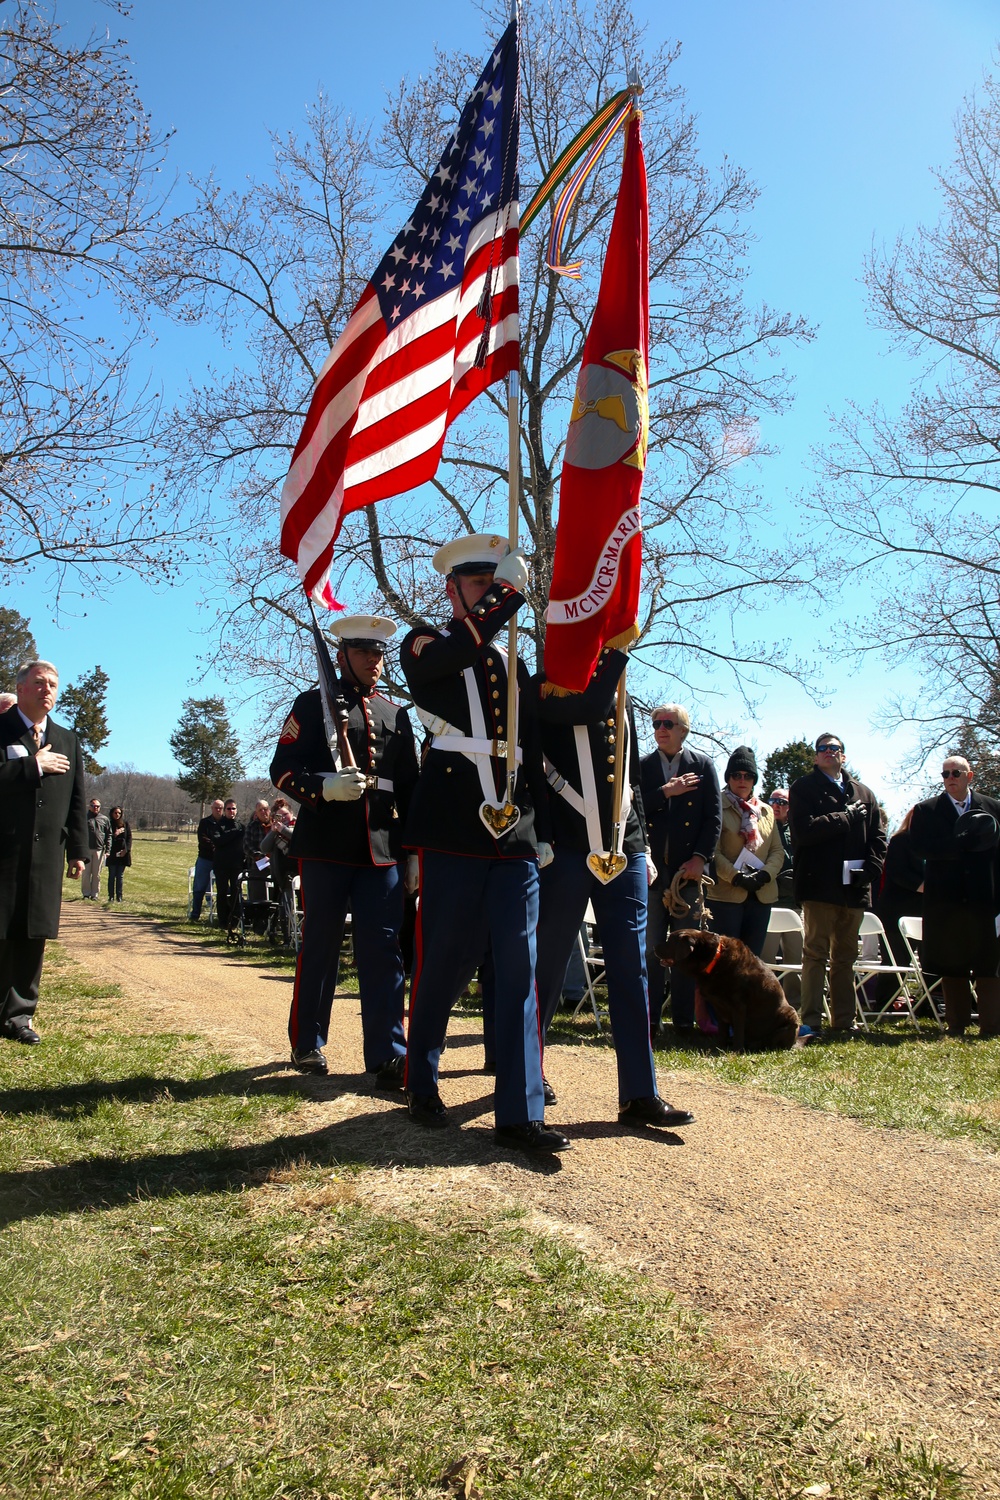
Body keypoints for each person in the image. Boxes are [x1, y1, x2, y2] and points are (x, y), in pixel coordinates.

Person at [399, 534, 568, 1154]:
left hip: (514, 830)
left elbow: (530, 754)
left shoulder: (511, 663)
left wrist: (543, 831)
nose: (490, 595)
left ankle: (521, 1110)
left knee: (519, 967)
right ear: (452, 589)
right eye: (479, 585)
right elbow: (448, 660)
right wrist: (510, 593)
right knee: (443, 958)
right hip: (453, 825)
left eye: (494, 585)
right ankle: (421, 1079)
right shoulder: (422, 644)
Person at [531, 650, 695, 1129]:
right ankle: (528, 1079)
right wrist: (541, 837)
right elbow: (578, 713)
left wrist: (639, 843)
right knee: (548, 967)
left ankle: (640, 1093)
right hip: (564, 847)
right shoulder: (545, 685)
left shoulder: (618, 693)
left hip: (622, 851)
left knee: (633, 970)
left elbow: (631, 781)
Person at [270, 615, 418, 1082]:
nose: (374, 661)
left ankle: (388, 1052)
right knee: (321, 945)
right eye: (363, 653)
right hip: (327, 845)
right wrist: (322, 788)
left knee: (384, 949)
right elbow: (282, 768)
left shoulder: (396, 714)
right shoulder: (313, 705)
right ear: (341, 657)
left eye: (378, 654)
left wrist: (414, 852)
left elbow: (411, 789)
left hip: (381, 849)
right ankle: (308, 1043)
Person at [0, 660, 88, 1044]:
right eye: (38, 682)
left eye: (52, 684)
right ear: (20, 688)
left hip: (46, 855)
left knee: (33, 932)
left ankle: (20, 1017)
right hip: (4, 849)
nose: (46, 689)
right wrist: (31, 767)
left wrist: (78, 851)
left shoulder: (67, 739)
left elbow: (77, 800)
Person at [788, 734, 886, 1045]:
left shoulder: (864, 793)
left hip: (854, 888)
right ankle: (812, 1021)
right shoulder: (803, 788)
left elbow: (879, 838)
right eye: (824, 749)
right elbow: (803, 832)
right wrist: (844, 818)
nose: (830, 753)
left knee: (845, 956)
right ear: (815, 757)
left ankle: (844, 1020)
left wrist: (870, 870)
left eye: (836, 749)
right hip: (819, 885)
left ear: (844, 756)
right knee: (815, 954)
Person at [639, 704, 722, 1034]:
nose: (661, 728)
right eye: (657, 723)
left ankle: (685, 1023)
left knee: (687, 953)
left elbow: (713, 818)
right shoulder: (643, 766)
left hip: (686, 876)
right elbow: (631, 808)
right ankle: (649, 1021)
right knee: (651, 949)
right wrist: (666, 792)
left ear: (683, 729)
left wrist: (700, 858)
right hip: (652, 873)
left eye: (668, 723)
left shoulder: (702, 765)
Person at [910, 757, 1000, 1039]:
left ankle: (990, 1027)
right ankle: (956, 1025)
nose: (950, 777)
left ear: (969, 776)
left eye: (956, 773)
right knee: (953, 965)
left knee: (989, 966)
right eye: (945, 773)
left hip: (985, 900)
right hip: (946, 903)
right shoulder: (926, 810)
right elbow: (920, 847)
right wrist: (960, 841)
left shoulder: (993, 808)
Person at [709, 748, 785, 956]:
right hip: (725, 896)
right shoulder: (715, 806)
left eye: (748, 776)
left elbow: (777, 850)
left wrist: (764, 875)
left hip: (761, 894)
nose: (742, 780)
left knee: (752, 964)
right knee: (724, 962)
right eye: (736, 775)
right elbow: (712, 851)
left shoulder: (766, 810)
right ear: (728, 777)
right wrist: (736, 877)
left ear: (754, 780)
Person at [874, 807, 926, 1007]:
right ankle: (885, 1002)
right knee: (896, 958)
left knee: (929, 958)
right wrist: (923, 886)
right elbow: (897, 872)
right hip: (896, 910)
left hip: (924, 910)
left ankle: (929, 1003)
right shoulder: (900, 840)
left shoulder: (932, 844)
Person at [760, 786, 801, 1001]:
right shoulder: (762, 828)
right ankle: (768, 999)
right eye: (773, 801)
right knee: (767, 957)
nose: (777, 805)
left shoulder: (797, 829)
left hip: (794, 903)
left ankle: (794, 1002)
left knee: (795, 958)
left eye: (783, 802)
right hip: (771, 901)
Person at [189, 799, 227, 922]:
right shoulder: (205, 823)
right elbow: (203, 838)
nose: (218, 810)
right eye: (216, 807)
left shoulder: (227, 823)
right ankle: (195, 914)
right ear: (211, 808)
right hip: (205, 859)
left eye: (220, 808)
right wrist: (217, 847)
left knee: (225, 888)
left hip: (221, 860)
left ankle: (224, 916)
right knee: (199, 887)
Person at [212, 798, 245, 931]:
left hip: (237, 865)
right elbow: (218, 841)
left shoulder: (241, 826)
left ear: (236, 810)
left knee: (237, 893)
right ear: (225, 810)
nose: (231, 811)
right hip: (221, 865)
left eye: (233, 809)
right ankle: (222, 921)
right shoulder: (218, 825)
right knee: (222, 892)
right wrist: (233, 833)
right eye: (229, 809)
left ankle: (235, 920)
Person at [243, 799, 272, 934]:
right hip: (258, 866)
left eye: (265, 809)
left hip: (275, 865)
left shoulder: (275, 825)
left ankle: (274, 925)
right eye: (260, 810)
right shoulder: (252, 826)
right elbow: (247, 846)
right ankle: (259, 926)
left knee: (274, 896)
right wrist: (260, 856)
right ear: (256, 813)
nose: (263, 812)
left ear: (269, 810)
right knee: (258, 896)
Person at [82, 798, 111, 899]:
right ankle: (86, 893)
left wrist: (108, 850)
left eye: (98, 806)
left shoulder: (104, 819)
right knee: (86, 873)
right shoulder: (84, 818)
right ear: (90, 807)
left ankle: (95, 894)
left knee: (96, 874)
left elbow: (108, 835)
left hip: (99, 850)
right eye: (94, 806)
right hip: (86, 849)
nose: (96, 808)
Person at [106, 806, 132, 902]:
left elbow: (129, 838)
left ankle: (119, 896)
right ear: (112, 813)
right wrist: (115, 834)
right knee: (112, 875)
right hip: (112, 853)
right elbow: (107, 839)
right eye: (115, 813)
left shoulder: (125, 824)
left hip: (123, 853)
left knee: (120, 876)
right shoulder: (109, 824)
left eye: (119, 813)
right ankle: (111, 896)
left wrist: (126, 850)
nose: (117, 815)